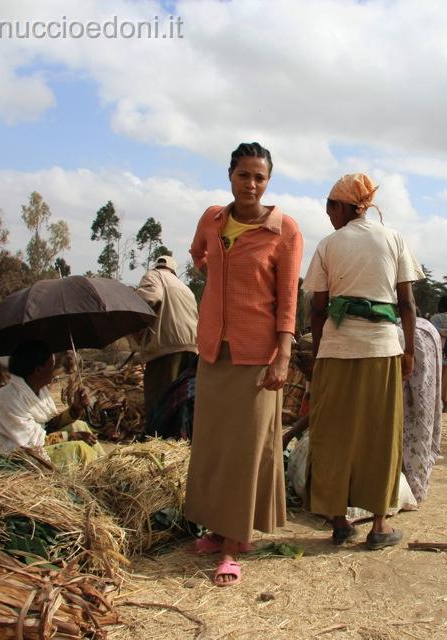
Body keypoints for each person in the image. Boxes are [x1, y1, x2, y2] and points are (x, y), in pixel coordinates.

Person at [183, 142, 303, 587]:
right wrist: (214, 272)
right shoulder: (212, 220)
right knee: (214, 445)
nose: (251, 184)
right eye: (243, 175)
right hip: (214, 351)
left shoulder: (284, 230)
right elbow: (198, 254)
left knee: (247, 450)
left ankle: (235, 543)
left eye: (260, 177)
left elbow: (289, 300)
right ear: (230, 176)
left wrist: (283, 358)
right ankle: (217, 530)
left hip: (258, 357)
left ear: (268, 181)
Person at [303, 172, 424, 550]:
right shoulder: (394, 240)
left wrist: (323, 351)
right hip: (382, 349)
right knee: (381, 435)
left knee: (333, 434)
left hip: (337, 352)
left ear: (343, 207)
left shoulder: (328, 245)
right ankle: (380, 526)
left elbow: (317, 308)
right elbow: (407, 304)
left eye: (329, 207)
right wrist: (408, 352)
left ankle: (339, 522)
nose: (327, 215)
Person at [0, 341, 101, 470]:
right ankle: (98, 478)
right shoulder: (8, 399)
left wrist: (76, 408)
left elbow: (46, 427)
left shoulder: (40, 392)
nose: (54, 369)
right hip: (9, 457)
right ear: (38, 370)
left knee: (79, 425)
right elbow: (31, 444)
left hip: (31, 447)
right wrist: (73, 437)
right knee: (80, 449)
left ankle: (106, 466)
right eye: (51, 365)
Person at [134, 254, 199, 416]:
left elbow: (151, 297)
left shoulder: (153, 275)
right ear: (174, 271)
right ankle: (180, 435)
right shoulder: (185, 288)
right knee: (182, 397)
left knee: (160, 398)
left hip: (165, 347)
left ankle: (157, 435)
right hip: (192, 347)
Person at [399, 316, 442, 503]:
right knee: (423, 411)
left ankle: (400, 482)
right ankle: (417, 484)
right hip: (425, 349)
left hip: (396, 346)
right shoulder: (430, 330)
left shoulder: (394, 327)